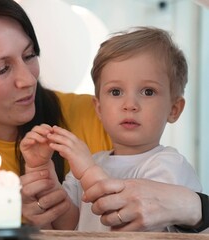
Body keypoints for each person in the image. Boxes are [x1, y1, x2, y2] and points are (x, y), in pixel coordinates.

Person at [0, 0, 208, 233]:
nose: (28, 79)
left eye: (30, 55)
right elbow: (72, 222)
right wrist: (41, 171)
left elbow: (124, 213)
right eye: (3, 68)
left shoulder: (109, 130)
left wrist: (84, 167)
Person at [20, 27, 202, 232]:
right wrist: (41, 169)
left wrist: (88, 171)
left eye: (148, 91)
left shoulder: (169, 166)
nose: (130, 104)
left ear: (174, 109)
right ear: (99, 108)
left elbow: (128, 223)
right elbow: (68, 225)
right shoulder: (93, 162)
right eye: (116, 91)